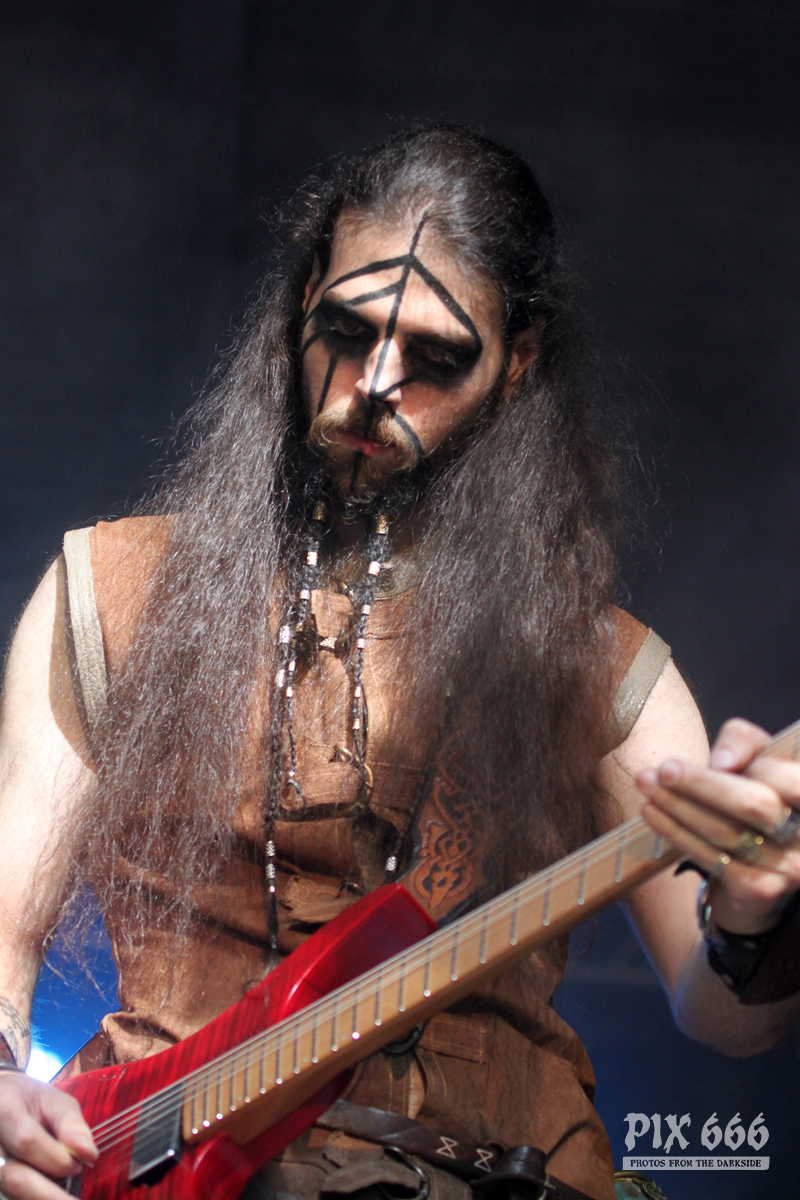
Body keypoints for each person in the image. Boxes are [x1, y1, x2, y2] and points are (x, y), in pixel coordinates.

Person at [0, 125, 799, 1200]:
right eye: (347, 329)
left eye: (436, 356)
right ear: (302, 304)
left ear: (517, 361)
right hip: (146, 1161)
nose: (375, 383)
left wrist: (753, 920)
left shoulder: (597, 668)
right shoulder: (112, 592)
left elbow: (726, 1020)